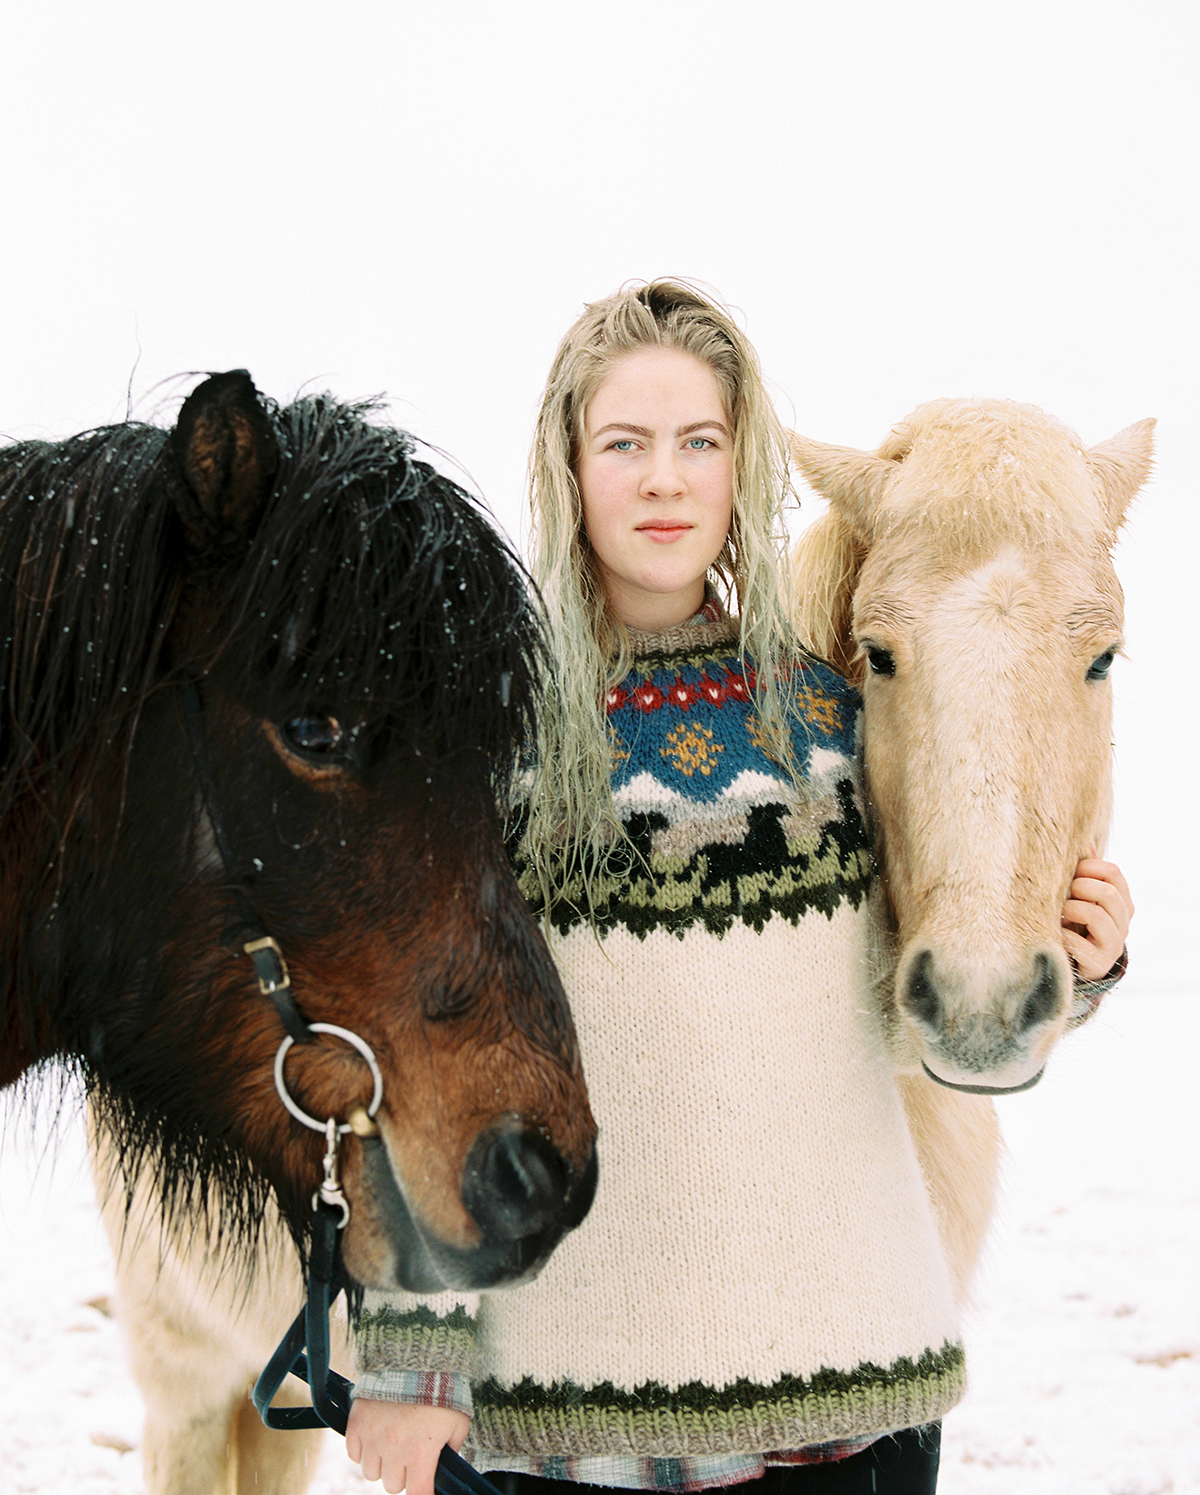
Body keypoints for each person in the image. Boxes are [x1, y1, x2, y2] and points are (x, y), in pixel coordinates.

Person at [344, 281, 1133, 1495]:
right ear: (569, 465)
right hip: (558, 1437)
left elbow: (906, 1027)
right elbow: (414, 1055)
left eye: (699, 443)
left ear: (741, 465)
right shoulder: (479, 740)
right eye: (626, 443)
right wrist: (409, 1366)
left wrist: (1072, 962)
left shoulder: (832, 725)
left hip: (839, 1423)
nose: (665, 480)